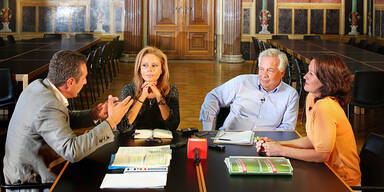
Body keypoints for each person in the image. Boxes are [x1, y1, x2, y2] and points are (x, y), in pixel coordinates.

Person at [3, 50, 133, 185]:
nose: (85, 82)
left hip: (25, 168)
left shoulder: (38, 86)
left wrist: (94, 114)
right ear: (70, 82)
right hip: (30, 182)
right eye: (84, 78)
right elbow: (72, 151)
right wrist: (111, 122)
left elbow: (60, 118)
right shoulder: (48, 105)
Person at [255, 55, 361, 186]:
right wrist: (278, 144)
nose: (305, 77)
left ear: (326, 80)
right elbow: (312, 140)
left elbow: (321, 155)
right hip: (324, 174)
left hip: (342, 182)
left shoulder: (325, 107)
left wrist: (280, 151)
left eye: (311, 74)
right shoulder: (312, 97)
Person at [199, 48, 299, 131]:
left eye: (270, 70)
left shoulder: (290, 95)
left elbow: (287, 128)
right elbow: (213, 97)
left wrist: (268, 143)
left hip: (265, 146)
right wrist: (208, 130)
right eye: (261, 69)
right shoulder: (242, 82)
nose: (264, 75)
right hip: (230, 140)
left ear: (282, 73)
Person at [117, 46, 180, 133]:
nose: (149, 70)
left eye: (154, 65)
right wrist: (143, 96)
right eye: (144, 65)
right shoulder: (128, 89)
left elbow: (173, 126)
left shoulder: (171, 90)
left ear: (162, 69)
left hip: (161, 141)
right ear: (139, 69)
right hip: (133, 142)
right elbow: (122, 127)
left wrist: (158, 96)